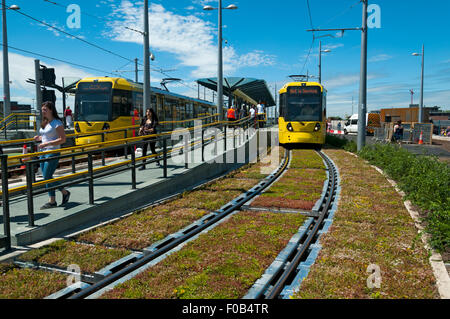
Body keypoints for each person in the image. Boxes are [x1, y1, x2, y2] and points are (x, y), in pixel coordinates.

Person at [33, 101, 70, 209]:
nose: (42, 112)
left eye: (45, 110)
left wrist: (47, 143)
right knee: (46, 177)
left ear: (51, 110)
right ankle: (61, 194)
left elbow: (62, 139)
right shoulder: (45, 122)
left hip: (52, 152)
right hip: (43, 153)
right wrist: (39, 138)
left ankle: (54, 199)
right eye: (42, 110)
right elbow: (46, 137)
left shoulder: (57, 123)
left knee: (48, 176)